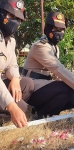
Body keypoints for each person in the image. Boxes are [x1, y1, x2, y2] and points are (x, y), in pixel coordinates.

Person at [22, 12, 74, 119]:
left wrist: (73, 86)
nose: (60, 32)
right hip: (31, 87)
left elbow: (56, 73)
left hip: (44, 85)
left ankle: (43, 111)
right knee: (67, 88)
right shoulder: (40, 46)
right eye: (56, 29)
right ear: (49, 29)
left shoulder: (54, 47)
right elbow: (58, 68)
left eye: (62, 29)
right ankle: (41, 116)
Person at [0, 0, 34, 128]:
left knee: (27, 83)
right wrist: (12, 106)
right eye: (11, 16)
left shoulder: (11, 40)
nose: (15, 22)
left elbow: (12, 65)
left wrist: (15, 78)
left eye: (19, 19)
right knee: (20, 106)